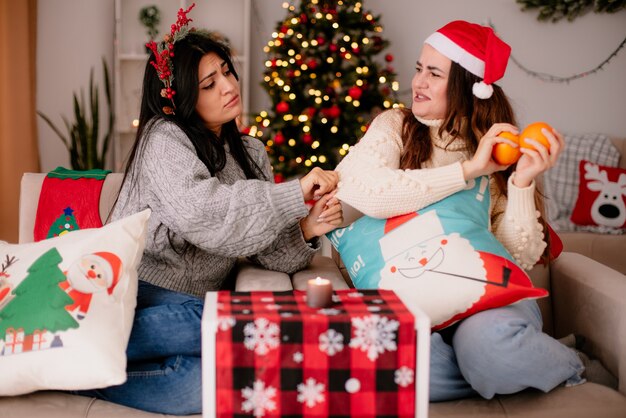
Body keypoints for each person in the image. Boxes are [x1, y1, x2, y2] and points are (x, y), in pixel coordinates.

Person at [77, 5, 342, 415]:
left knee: (204, 384)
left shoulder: (251, 152)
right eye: (208, 83)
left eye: (226, 71)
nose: (227, 86)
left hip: (191, 303)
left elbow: (269, 251)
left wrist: (306, 225)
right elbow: (205, 213)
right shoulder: (162, 139)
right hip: (138, 292)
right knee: (223, 322)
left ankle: (76, 365)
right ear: (180, 97)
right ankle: (78, 337)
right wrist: (294, 192)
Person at [334, 20, 585, 401]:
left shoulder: (496, 148)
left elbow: (519, 256)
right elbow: (364, 191)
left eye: (434, 74)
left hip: (488, 304)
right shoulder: (394, 126)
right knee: (392, 366)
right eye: (419, 69)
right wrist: (468, 171)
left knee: (488, 347)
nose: (418, 82)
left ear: (470, 88)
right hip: (415, 301)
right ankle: (511, 361)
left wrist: (520, 182)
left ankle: (558, 362)